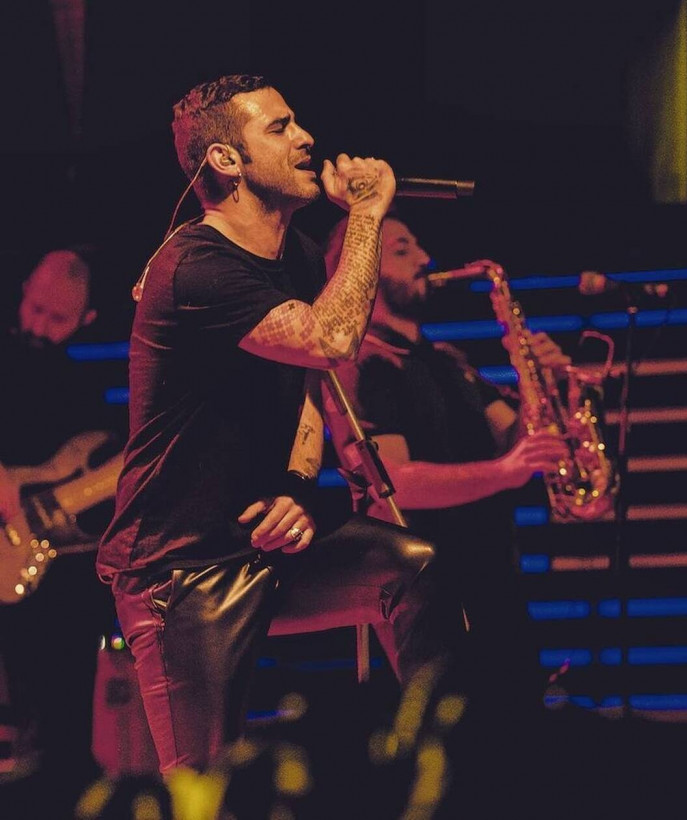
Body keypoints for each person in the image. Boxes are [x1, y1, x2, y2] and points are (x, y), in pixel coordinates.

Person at [96, 74, 467, 776]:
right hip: (181, 572)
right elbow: (329, 341)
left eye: (297, 122)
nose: (306, 138)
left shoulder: (291, 255)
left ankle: (438, 764)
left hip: (260, 544)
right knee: (204, 789)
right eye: (280, 127)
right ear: (226, 160)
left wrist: (297, 487)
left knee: (412, 568)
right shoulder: (196, 267)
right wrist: (366, 216)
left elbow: (307, 390)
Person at [322, 213, 573, 709]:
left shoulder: (448, 361)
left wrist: (541, 383)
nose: (424, 258)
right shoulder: (362, 364)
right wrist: (504, 472)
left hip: (494, 573)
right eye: (402, 249)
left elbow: (516, 440)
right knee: (450, 732)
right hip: (428, 587)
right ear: (360, 268)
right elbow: (393, 484)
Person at [0, 246, 121, 816]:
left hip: (54, 577)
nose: (40, 326)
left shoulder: (83, 390)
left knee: (62, 727)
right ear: (23, 289)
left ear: (86, 319)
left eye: (58, 318)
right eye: (37, 309)